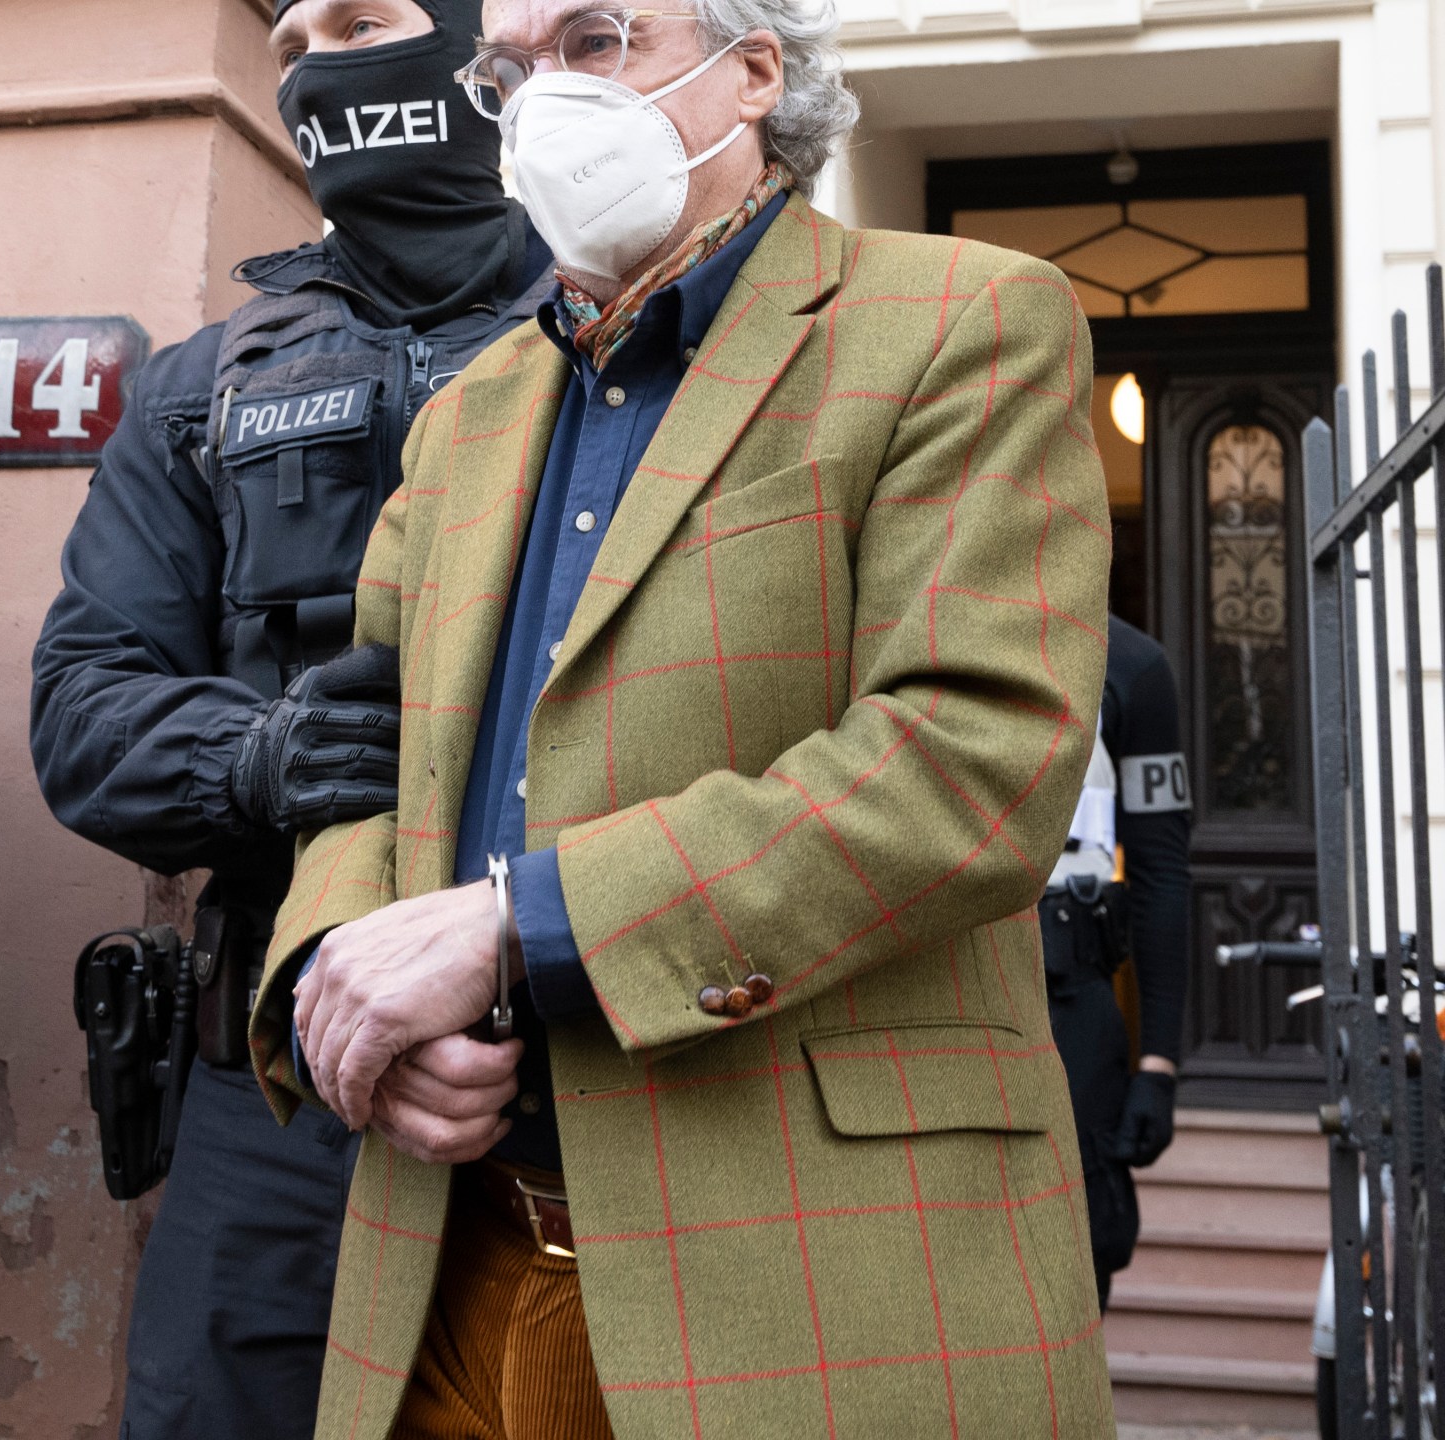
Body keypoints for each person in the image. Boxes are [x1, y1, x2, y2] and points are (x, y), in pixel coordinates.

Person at [248, 0, 1119, 1435]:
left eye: (595, 43)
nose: (541, 106)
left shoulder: (965, 318)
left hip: (812, 1273)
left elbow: (973, 763)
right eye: (508, 73)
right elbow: (368, 753)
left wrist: (516, 924)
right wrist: (338, 982)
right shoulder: (463, 417)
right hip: (450, 1261)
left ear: (753, 72)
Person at [28, 0, 549, 1433]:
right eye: (296, 38)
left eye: (364, 18)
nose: (321, 55)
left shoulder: (633, 319)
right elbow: (80, 711)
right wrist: (256, 757)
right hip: (279, 1088)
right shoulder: (205, 385)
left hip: (588, 1058)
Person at [1042, 614, 1193, 1309]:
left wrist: (1157, 1066)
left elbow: (1162, 872)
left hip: (1074, 1001)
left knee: (1078, 1251)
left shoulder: (1132, 666)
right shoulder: (921, 628)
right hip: (938, 991)